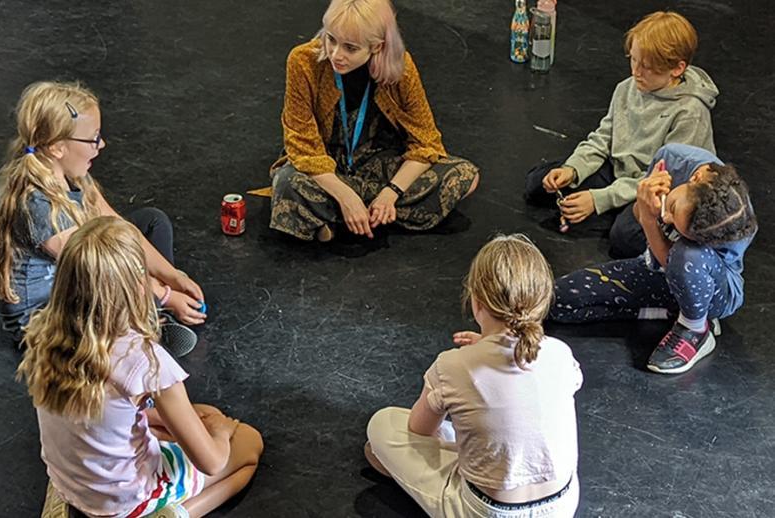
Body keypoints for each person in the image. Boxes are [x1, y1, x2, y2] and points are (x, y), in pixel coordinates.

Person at [16, 217, 263, 518]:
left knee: (202, 415)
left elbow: (106, 412)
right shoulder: (144, 360)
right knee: (248, 444)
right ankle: (177, 513)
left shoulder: (44, 334)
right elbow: (212, 462)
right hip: (125, 500)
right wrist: (221, 433)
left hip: (70, 483)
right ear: (138, 286)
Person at [366, 234, 582, 517]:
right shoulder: (561, 353)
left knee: (383, 424)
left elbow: (420, 431)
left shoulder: (452, 365)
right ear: (542, 302)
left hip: (486, 511)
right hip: (561, 506)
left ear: (476, 302)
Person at [0, 81, 205, 349]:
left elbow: (120, 228)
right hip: (46, 317)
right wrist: (166, 296)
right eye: (93, 138)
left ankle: (147, 310)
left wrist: (172, 276)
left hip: (80, 277)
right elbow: (100, 269)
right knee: (113, 278)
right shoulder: (38, 206)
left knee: (152, 221)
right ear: (57, 147)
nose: (101, 144)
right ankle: (147, 317)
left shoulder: (72, 174)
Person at [269, 0, 479, 242]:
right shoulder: (302, 61)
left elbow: (426, 142)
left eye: (350, 48)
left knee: (465, 175)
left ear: (377, 47)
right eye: (331, 39)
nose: (336, 54)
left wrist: (391, 192)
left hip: (376, 162)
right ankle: (368, 213)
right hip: (324, 165)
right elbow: (302, 146)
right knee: (287, 182)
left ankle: (335, 216)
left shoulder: (402, 69)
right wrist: (346, 196)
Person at [524, 11, 718, 259]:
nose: (636, 72)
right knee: (537, 184)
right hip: (620, 172)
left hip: (657, 188)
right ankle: (609, 210)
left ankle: (612, 214)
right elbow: (603, 138)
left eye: (648, 67)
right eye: (633, 60)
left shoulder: (690, 112)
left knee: (625, 239)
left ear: (677, 68)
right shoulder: (627, 87)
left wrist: (599, 200)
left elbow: (662, 180)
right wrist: (573, 169)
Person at [550, 144, 757, 374]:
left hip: (710, 290)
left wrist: (650, 220)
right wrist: (643, 202)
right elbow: (640, 217)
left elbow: (678, 261)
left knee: (687, 254)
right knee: (559, 301)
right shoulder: (672, 159)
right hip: (661, 266)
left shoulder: (734, 221)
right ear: (695, 177)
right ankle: (671, 312)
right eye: (673, 208)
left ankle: (695, 328)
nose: (666, 218)